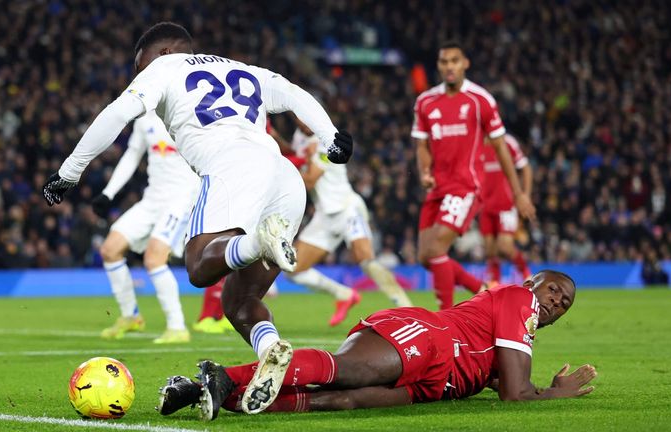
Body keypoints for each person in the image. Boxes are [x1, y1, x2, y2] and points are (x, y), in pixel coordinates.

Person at [41, 22, 352, 415]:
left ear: (163, 54)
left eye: (140, 69)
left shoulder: (165, 67)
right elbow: (293, 93)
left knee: (199, 265)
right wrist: (332, 137)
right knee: (241, 299)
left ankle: (259, 241)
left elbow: (117, 112)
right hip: (284, 177)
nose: (140, 79)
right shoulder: (246, 69)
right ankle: (271, 349)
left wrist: (68, 172)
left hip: (233, 166)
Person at [157, 270, 595, 421]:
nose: (557, 299)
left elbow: (513, 384)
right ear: (530, 283)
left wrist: (541, 387)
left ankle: (205, 392)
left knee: (341, 402)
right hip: (430, 337)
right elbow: (514, 394)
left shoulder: (517, 334)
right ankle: (224, 376)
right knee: (349, 370)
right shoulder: (518, 300)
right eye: (553, 288)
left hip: (431, 384)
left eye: (565, 302)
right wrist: (558, 391)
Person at [412, 41, 536, 310]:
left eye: (454, 61)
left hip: (465, 187)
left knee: (437, 251)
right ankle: (483, 292)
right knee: (425, 257)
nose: (449, 67)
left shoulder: (480, 100)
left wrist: (519, 194)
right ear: (439, 65)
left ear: (465, 63)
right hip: (437, 188)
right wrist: (424, 172)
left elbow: (502, 148)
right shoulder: (425, 102)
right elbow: (421, 144)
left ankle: (443, 319)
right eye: (444, 62)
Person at [287, 120, 413, 327]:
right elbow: (292, 151)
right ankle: (344, 294)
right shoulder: (299, 136)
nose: (305, 121)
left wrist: (288, 168)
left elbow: (309, 181)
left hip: (347, 209)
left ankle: (408, 309)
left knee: (366, 260)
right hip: (324, 216)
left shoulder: (327, 140)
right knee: (293, 269)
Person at [91, 110, 200, 343]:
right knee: (110, 250)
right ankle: (131, 317)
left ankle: (177, 327)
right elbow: (132, 155)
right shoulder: (145, 118)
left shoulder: (187, 111)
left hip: (181, 198)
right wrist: (108, 193)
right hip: (152, 199)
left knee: (154, 258)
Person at [480, 133, 533, 284]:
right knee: (490, 250)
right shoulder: (476, 143)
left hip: (506, 204)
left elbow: (526, 168)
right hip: (485, 206)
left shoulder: (507, 142)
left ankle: (526, 274)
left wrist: (526, 195)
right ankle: (494, 284)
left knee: (505, 247)